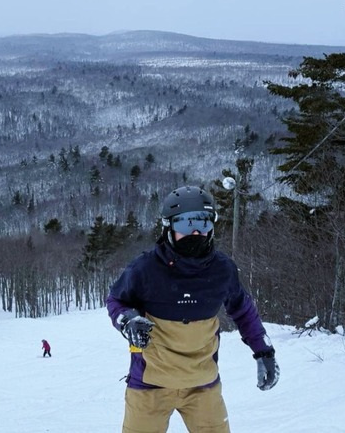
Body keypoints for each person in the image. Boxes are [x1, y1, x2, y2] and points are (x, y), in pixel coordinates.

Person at [106, 185, 279, 433]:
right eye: (186, 224)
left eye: (204, 223)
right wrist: (127, 320)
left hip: (203, 386)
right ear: (168, 227)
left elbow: (243, 310)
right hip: (149, 386)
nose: (195, 232)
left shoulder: (222, 270)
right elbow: (116, 300)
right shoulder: (145, 269)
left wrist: (264, 352)